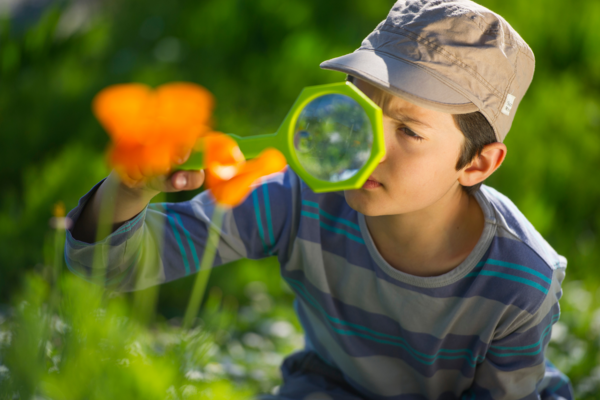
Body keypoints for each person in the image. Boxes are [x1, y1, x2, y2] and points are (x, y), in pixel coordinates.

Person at [66, 0, 574, 398]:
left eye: (408, 130)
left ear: (478, 164)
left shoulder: (522, 280)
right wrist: (131, 188)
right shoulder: (300, 196)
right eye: (359, 109)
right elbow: (109, 267)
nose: (367, 146)